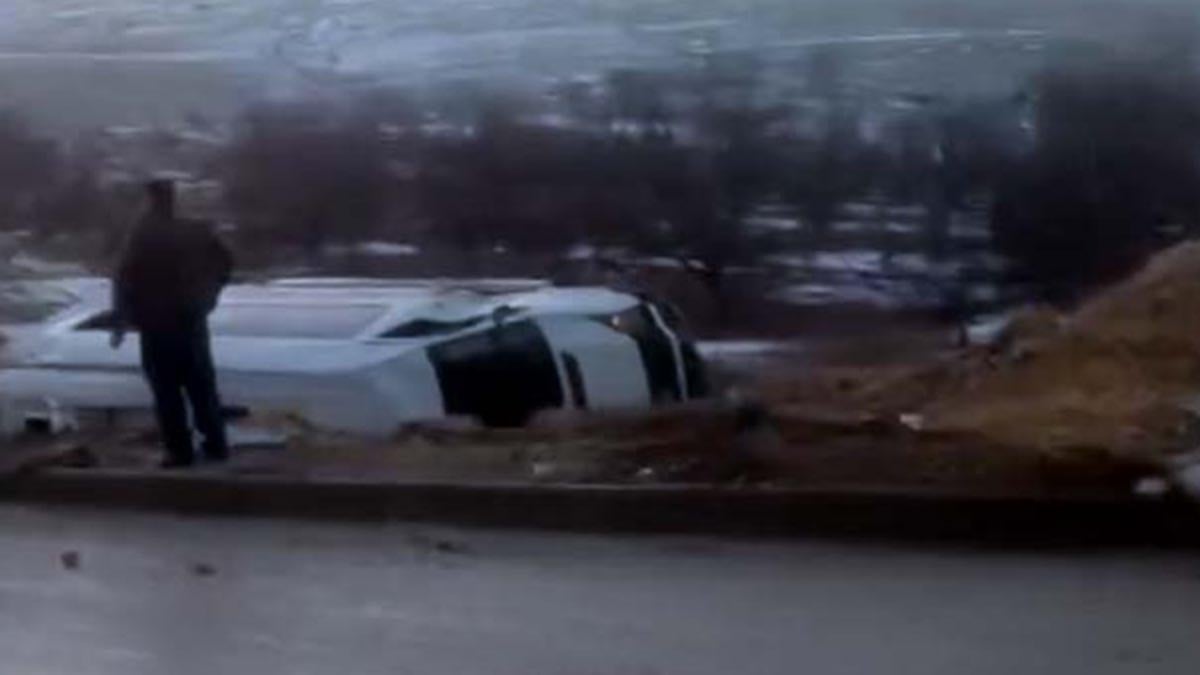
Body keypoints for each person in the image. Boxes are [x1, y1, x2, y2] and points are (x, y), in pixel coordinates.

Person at [111, 179, 233, 468]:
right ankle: (216, 444)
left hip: (157, 324)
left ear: (150, 199)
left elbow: (124, 277)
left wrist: (122, 319)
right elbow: (225, 263)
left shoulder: (144, 233)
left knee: (166, 391)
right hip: (191, 320)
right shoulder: (197, 230)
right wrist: (208, 295)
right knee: (201, 385)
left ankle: (179, 451)